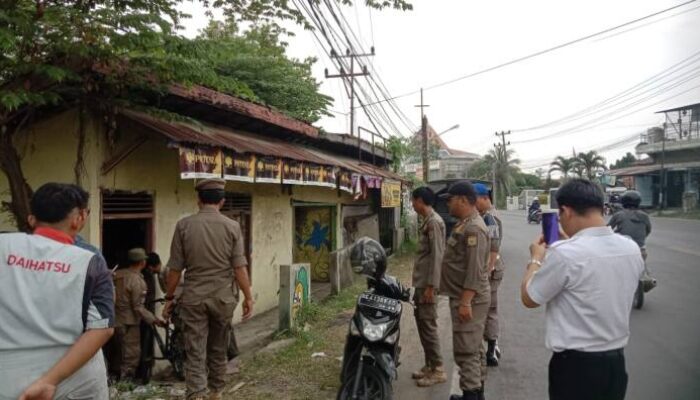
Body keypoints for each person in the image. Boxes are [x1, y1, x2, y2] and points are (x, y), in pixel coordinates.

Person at [520, 179, 644, 400]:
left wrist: (535, 259)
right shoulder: (631, 248)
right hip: (616, 364)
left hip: (576, 368)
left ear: (566, 211)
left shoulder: (565, 254)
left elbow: (530, 298)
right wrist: (569, 243)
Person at [0, 183, 114, 400]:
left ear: (33, 217)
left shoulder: (3, 245)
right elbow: (102, 328)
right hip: (72, 383)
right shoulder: (89, 262)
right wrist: (49, 381)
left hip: (7, 379)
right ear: (78, 217)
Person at [163, 178, 254, 400]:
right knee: (218, 347)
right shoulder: (233, 226)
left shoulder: (184, 225)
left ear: (198, 201)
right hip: (223, 298)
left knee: (195, 349)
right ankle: (216, 392)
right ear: (221, 201)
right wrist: (248, 297)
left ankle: (196, 394)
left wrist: (169, 298)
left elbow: (175, 268)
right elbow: (239, 267)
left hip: (193, 298)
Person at [440, 181, 491, 400]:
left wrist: (465, 301)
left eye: (450, 200)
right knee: (475, 348)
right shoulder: (465, 223)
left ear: (462, 200)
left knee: (466, 352)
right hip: (465, 296)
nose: (448, 204)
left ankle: (471, 393)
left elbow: (475, 270)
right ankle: (476, 393)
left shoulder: (474, 228)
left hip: (469, 298)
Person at [410, 186, 447, 387]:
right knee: (422, 324)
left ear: (420, 201)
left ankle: (438, 369)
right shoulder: (428, 221)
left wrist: (431, 287)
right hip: (422, 283)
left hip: (427, 285)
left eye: (413, 200)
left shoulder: (434, 222)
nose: (412, 204)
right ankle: (430, 364)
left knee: (428, 326)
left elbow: (437, 257)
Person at [114, 248, 164, 381]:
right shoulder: (138, 281)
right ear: (142, 262)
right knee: (131, 355)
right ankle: (126, 383)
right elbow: (138, 307)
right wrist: (154, 319)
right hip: (129, 322)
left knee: (116, 352)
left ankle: (114, 380)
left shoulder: (116, 274)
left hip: (113, 320)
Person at [473, 183, 503, 367]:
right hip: (489, 268)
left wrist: (488, 268)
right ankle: (490, 346)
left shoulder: (490, 218)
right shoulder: (485, 216)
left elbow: (494, 245)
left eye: (474, 200)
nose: (473, 204)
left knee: (489, 310)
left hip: (490, 270)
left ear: (485, 198)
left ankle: (491, 349)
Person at [135, 252, 163, 382]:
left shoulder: (146, 275)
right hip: (143, 313)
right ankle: (139, 374)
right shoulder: (141, 277)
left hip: (144, 313)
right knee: (136, 346)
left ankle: (140, 374)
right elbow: (139, 304)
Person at [608, 190, 652, 259]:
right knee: (641, 267)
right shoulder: (644, 216)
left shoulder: (619, 215)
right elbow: (648, 230)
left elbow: (607, 229)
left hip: (623, 249)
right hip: (640, 249)